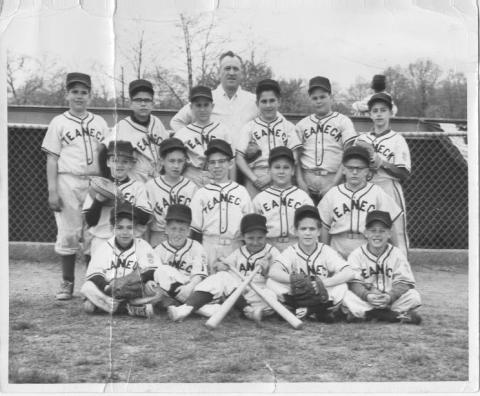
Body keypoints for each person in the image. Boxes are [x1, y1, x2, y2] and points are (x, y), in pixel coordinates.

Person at [41, 72, 108, 300]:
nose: (79, 96)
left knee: (92, 232)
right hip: (67, 179)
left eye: (84, 92)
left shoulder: (99, 122)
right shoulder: (58, 122)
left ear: (90, 95)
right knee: (69, 232)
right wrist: (52, 191)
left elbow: (106, 156)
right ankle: (67, 282)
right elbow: (51, 158)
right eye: (74, 92)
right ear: (67, 94)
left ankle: (91, 282)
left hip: (93, 181)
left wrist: (106, 184)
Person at [167, 213, 280, 323]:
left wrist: (266, 271)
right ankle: (185, 309)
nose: (255, 242)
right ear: (242, 237)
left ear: (266, 236)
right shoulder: (239, 251)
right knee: (221, 276)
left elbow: (277, 280)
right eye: (251, 238)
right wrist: (221, 266)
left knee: (271, 295)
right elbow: (221, 266)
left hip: (258, 293)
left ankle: (242, 310)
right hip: (237, 293)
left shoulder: (272, 252)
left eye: (260, 238)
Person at [267, 205, 358, 322]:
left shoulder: (325, 250)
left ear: (319, 231)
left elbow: (349, 272)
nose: (307, 233)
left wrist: (324, 283)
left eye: (312, 229)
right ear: (295, 231)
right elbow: (273, 272)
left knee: (341, 286)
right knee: (271, 283)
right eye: (303, 229)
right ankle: (315, 311)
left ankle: (305, 311)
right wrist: (296, 280)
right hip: (298, 294)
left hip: (320, 294)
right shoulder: (291, 251)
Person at [318, 145, 403, 259]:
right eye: (350, 168)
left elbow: (390, 224)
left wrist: (396, 253)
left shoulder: (377, 193)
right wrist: (325, 253)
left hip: (367, 248)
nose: (354, 172)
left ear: (367, 171)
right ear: (343, 169)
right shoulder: (333, 194)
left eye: (359, 168)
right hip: (338, 246)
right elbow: (324, 226)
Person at [80, 203, 161, 318]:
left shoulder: (143, 245)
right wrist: (108, 287)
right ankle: (129, 308)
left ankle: (104, 305)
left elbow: (153, 270)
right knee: (87, 287)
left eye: (129, 227)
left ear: (136, 229)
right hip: (109, 290)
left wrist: (124, 282)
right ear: (112, 228)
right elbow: (94, 275)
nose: (125, 232)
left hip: (134, 290)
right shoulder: (104, 247)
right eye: (120, 227)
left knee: (157, 291)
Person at [354, 92, 410, 256]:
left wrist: (382, 163)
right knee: (366, 230)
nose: (379, 113)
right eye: (375, 110)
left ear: (390, 112)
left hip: (388, 187)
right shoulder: (362, 139)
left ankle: (402, 271)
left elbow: (404, 173)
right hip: (366, 189)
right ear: (370, 114)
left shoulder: (397, 140)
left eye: (383, 110)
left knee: (396, 233)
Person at [344, 210, 422, 324]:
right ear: (366, 233)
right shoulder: (356, 254)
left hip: (390, 301)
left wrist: (390, 297)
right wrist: (367, 295)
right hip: (367, 300)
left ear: (389, 233)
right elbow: (353, 283)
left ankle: (368, 315)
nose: (377, 234)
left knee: (414, 296)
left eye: (382, 231)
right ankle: (393, 316)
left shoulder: (397, 254)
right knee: (345, 295)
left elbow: (405, 283)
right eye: (373, 230)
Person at [189, 139, 253, 270]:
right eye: (212, 162)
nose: (217, 166)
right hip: (208, 245)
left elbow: (249, 228)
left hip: (235, 246)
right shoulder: (201, 193)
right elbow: (195, 230)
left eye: (221, 161)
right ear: (207, 166)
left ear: (230, 163)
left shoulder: (241, 191)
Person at [295, 76, 358, 205]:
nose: (319, 101)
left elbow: (348, 155)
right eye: (315, 98)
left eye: (322, 97)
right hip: (307, 181)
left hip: (333, 179)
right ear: (310, 100)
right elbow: (295, 157)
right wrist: (300, 182)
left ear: (330, 97)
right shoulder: (302, 125)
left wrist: (334, 184)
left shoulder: (343, 121)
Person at [83, 140, 152, 256]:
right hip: (103, 238)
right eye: (115, 161)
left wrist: (122, 202)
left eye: (125, 162)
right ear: (108, 162)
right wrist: (99, 200)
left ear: (131, 164)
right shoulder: (98, 186)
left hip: (130, 239)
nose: (119, 165)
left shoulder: (138, 187)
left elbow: (145, 218)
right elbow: (90, 221)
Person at [170, 51, 257, 141]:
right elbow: (177, 122)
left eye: (235, 69)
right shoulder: (206, 99)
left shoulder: (253, 100)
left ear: (241, 73)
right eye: (227, 68)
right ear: (219, 72)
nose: (231, 73)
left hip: (243, 154)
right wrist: (194, 143)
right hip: (213, 154)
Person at [236, 79, 301, 197]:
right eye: (264, 101)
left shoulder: (288, 127)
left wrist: (271, 176)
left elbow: (294, 156)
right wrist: (254, 179)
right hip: (255, 177)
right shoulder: (249, 127)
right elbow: (239, 158)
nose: (268, 105)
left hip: (282, 176)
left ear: (279, 101)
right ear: (257, 104)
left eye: (272, 101)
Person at [104, 79, 169, 183]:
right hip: (135, 182)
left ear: (152, 104)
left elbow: (167, 150)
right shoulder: (122, 126)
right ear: (131, 104)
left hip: (158, 181)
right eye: (138, 100)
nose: (143, 104)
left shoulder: (157, 122)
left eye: (147, 100)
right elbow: (103, 151)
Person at [253, 147, 313, 252]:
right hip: (268, 247)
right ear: (269, 170)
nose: (281, 171)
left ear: (293, 170)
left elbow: (312, 228)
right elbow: (253, 231)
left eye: (286, 167)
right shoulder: (259, 199)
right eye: (277, 167)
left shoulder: (303, 197)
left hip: (296, 246)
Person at [173, 85, 233, 187]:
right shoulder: (181, 134)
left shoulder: (222, 130)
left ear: (212, 106)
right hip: (191, 176)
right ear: (191, 107)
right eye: (198, 105)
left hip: (217, 175)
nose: (202, 109)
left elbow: (232, 161)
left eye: (206, 105)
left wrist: (231, 183)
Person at [145, 138, 197, 247]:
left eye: (180, 161)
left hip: (183, 239)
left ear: (185, 162)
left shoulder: (191, 187)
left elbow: (194, 224)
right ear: (162, 161)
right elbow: (147, 223)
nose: (176, 166)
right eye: (171, 161)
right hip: (158, 237)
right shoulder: (151, 186)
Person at [152, 204, 208, 305]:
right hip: (170, 289)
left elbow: (199, 275)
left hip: (192, 288)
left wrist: (189, 287)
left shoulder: (196, 247)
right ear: (166, 229)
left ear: (188, 231)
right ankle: (191, 305)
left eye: (182, 229)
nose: (177, 234)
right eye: (173, 229)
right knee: (161, 271)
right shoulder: (159, 250)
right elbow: (156, 276)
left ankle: (179, 304)